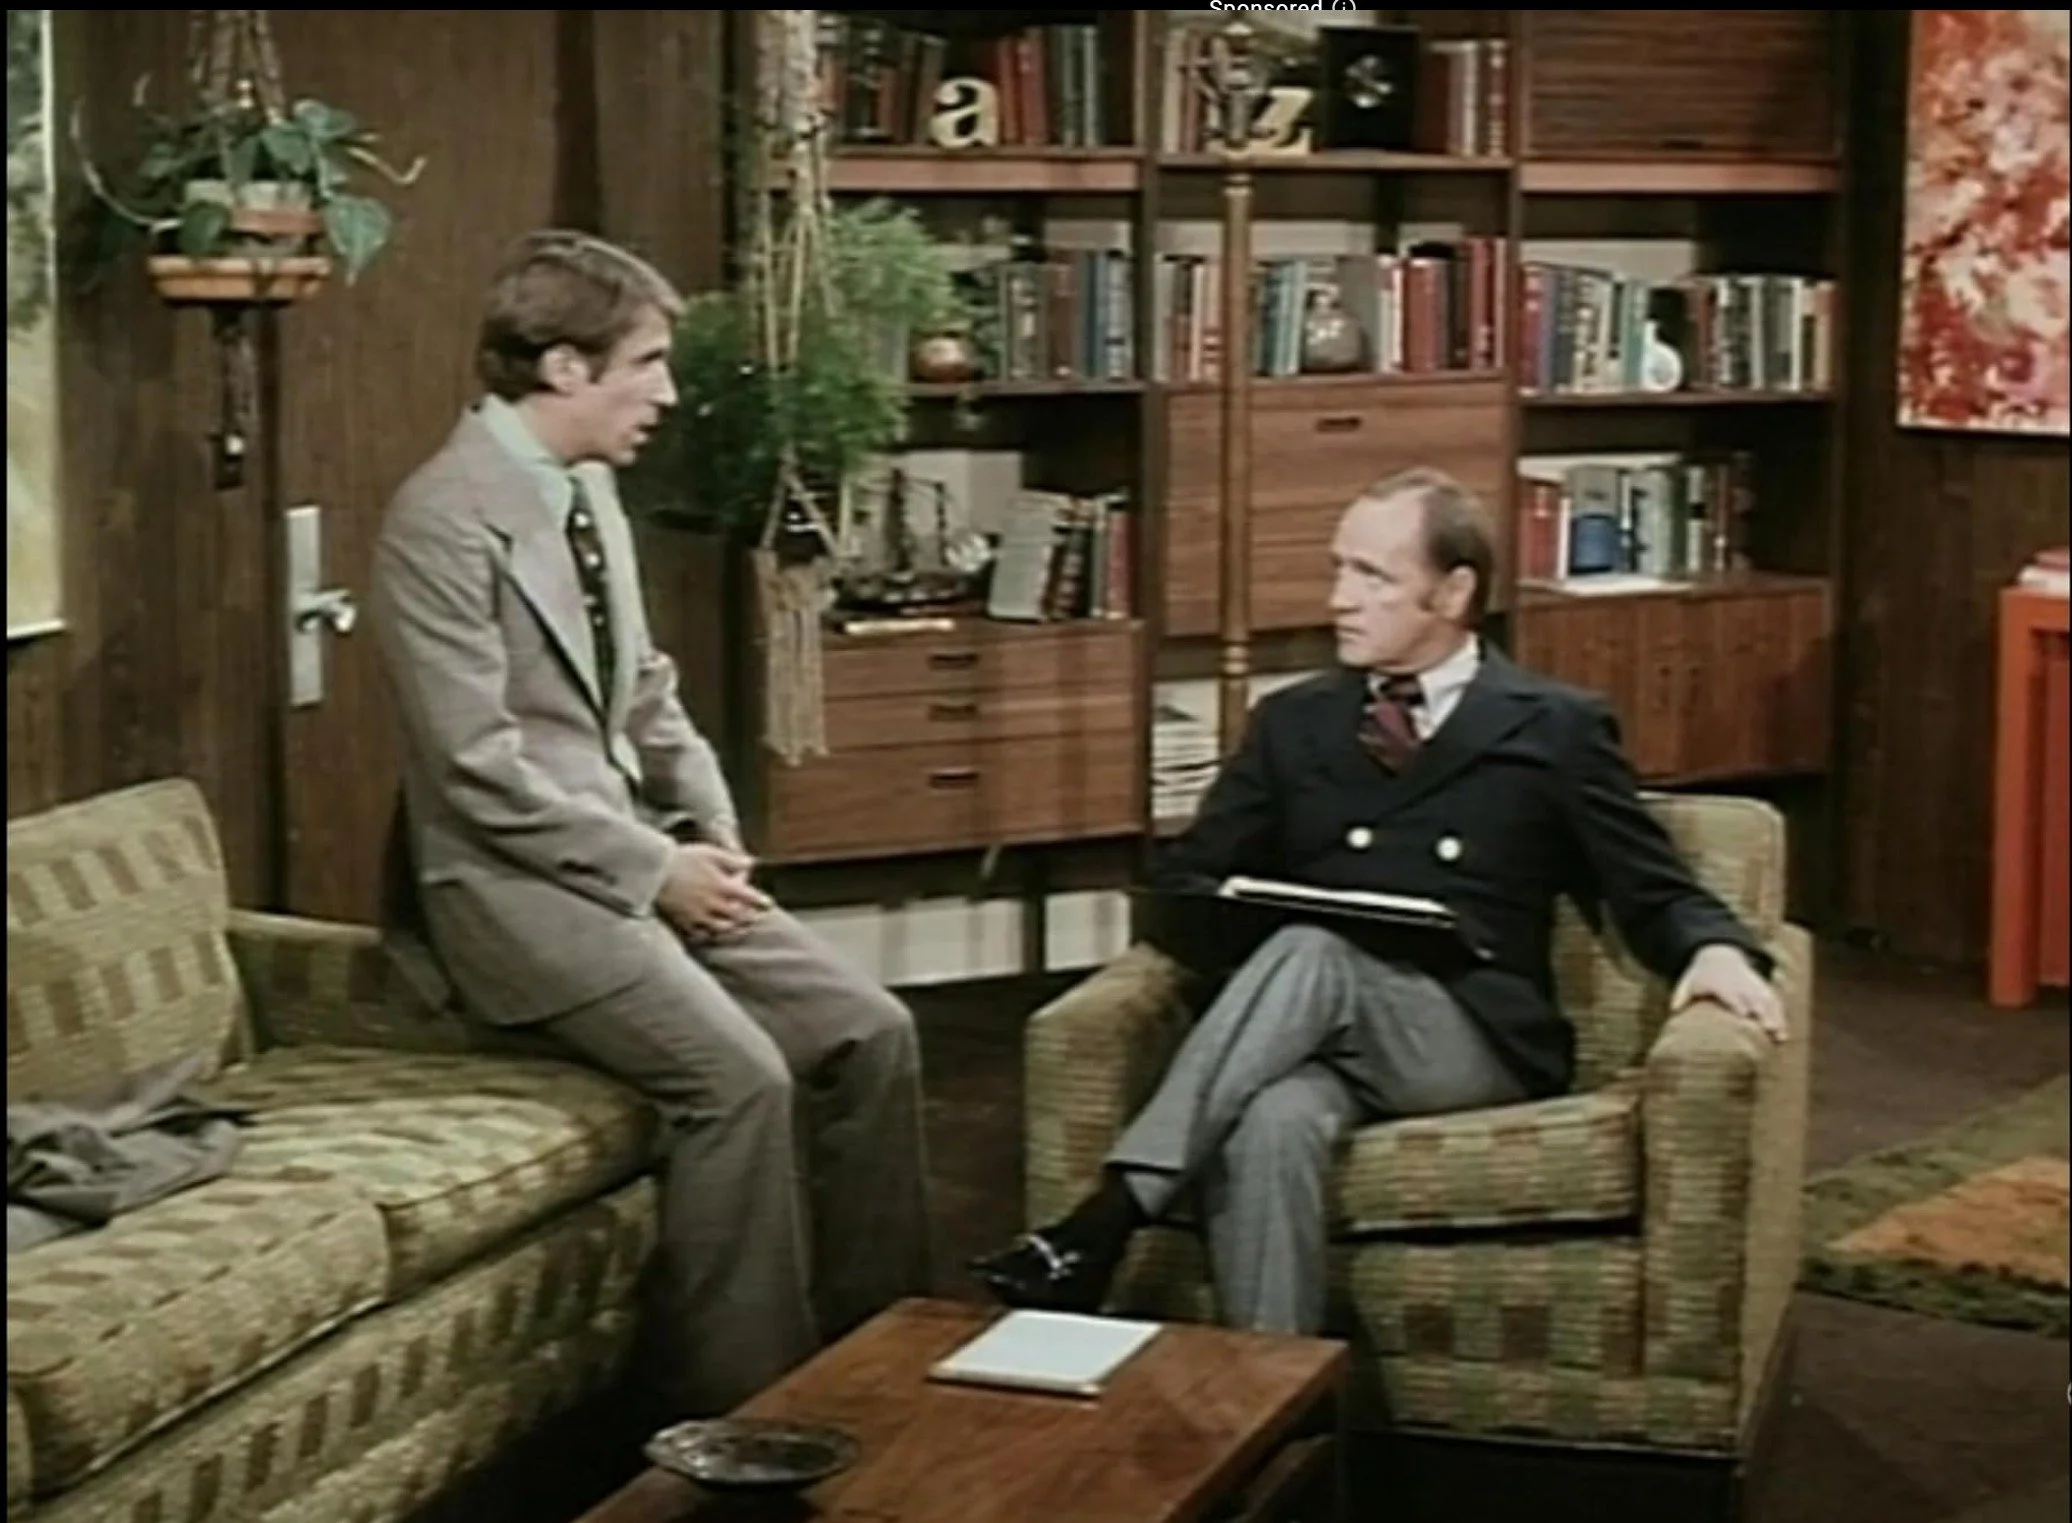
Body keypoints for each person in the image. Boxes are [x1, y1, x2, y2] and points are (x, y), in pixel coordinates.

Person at [971, 467, 1785, 1334]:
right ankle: (1278, 1393)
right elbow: (1188, 881)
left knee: (1315, 948)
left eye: (1372, 575)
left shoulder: (1553, 725)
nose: (1339, 599)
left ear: (1454, 592)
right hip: (1310, 1031)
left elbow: (1650, 881)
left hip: (1470, 1038)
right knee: (1271, 1121)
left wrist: (1714, 948)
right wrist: (1234, 915)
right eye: (1338, 569)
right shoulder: (1295, 721)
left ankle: (1109, 1216)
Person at [370, 229, 931, 1417]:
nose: (668, 393)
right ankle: (749, 1412)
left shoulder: (587, 490)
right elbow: (474, 768)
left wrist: (709, 831)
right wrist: (653, 869)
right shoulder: (440, 518)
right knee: (739, 1079)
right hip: (513, 888)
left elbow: (645, 690)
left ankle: (880, 1357)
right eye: (649, 363)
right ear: (563, 366)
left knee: (870, 1029)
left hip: (644, 854)